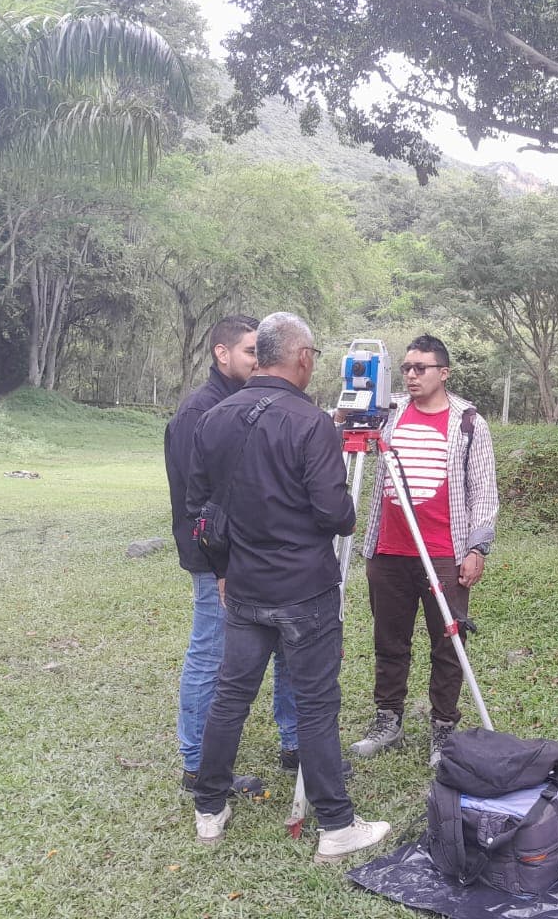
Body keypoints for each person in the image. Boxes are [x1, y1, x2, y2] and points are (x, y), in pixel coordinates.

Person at [187, 312, 388, 862]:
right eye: (315, 356)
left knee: (231, 697)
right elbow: (336, 515)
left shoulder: (217, 416)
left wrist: (225, 566)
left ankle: (209, 808)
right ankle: (337, 826)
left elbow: (203, 509)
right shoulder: (310, 423)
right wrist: (345, 509)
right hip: (303, 591)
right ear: (302, 358)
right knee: (317, 706)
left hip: (246, 587)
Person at [350, 333, 498, 768]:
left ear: (444, 372)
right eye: (406, 369)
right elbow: (342, 424)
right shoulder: (388, 413)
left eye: (421, 368)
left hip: (444, 553)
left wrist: (477, 548)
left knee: (448, 644)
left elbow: (484, 492)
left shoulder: (468, 422)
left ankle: (444, 728)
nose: (412, 376)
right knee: (389, 640)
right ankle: (388, 719)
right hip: (388, 550)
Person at [164, 314, 292, 797]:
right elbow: (198, 501)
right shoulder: (200, 411)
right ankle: (198, 766)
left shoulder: (245, 403)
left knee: (284, 644)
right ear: (222, 354)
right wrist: (219, 561)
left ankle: (295, 744)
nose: (259, 363)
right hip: (217, 559)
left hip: (256, 554)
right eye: (250, 353)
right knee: (211, 654)